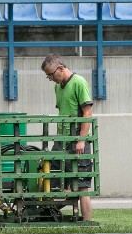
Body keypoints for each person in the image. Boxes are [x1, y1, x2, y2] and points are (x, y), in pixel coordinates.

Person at [40, 53, 94, 221]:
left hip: (78, 141)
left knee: (82, 186)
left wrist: (81, 140)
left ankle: (87, 223)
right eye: (47, 75)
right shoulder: (58, 87)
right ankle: (49, 214)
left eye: (50, 74)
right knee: (51, 180)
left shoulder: (79, 83)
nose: (49, 78)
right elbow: (62, 112)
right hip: (61, 141)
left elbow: (87, 113)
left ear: (61, 68)